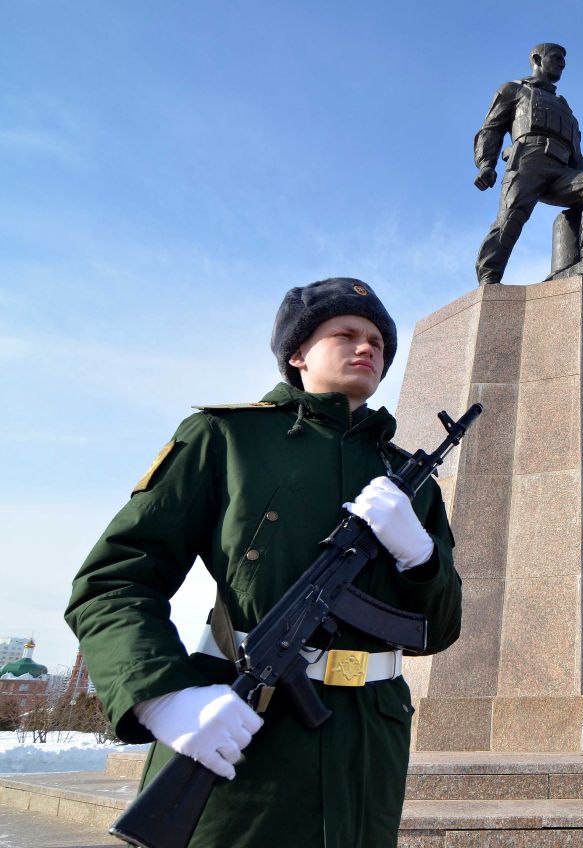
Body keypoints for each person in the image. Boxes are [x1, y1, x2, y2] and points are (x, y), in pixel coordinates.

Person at [65, 278, 463, 847]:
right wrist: (163, 696)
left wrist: (420, 557)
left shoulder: (408, 480)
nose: (366, 347)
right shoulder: (227, 438)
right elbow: (114, 580)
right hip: (243, 725)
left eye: (377, 339)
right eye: (345, 333)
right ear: (297, 354)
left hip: (370, 742)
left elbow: (439, 629)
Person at [473, 42, 583, 285]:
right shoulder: (514, 90)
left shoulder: (565, 108)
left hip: (562, 169)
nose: (562, 63)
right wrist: (485, 164)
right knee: (510, 219)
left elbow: (577, 151)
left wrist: (581, 178)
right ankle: (489, 277)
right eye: (556, 57)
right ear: (537, 58)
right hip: (528, 161)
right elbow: (490, 129)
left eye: (564, 59)